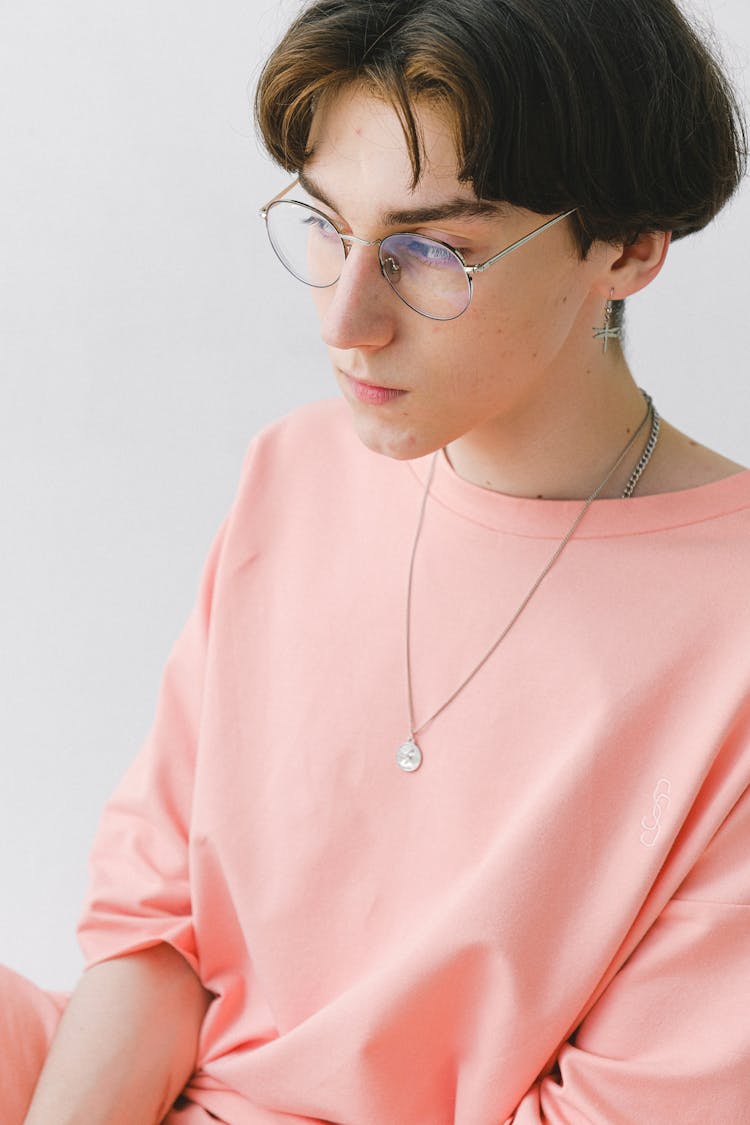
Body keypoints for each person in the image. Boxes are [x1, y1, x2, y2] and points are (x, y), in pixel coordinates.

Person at [4, 0, 750, 1121]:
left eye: (430, 252)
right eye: (326, 224)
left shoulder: (728, 630)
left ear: (631, 247)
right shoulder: (295, 473)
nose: (345, 318)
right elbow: (158, 935)